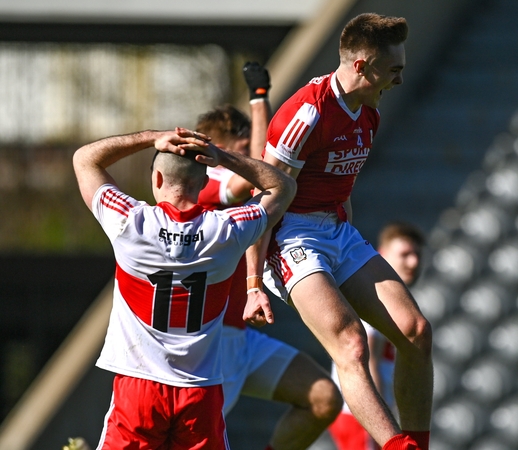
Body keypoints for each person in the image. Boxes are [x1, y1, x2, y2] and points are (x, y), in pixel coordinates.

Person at [244, 13, 433, 450]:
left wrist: (348, 251)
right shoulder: (307, 114)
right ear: (364, 65)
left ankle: (418, 444)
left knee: (416, 332)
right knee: (350, 345)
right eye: (395, 70)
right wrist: (253, 283)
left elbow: (340, 189)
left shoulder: (369, 109)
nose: (399, 79)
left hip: (336, 229)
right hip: (290, 235)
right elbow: (265, 203)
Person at [73, 127, 295, 449]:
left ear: (157, 180)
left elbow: (84, 159)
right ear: (204, 184)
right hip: (199, 392)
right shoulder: (227, 231)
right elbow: (284, 187)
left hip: (139, 387)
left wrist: (151, 138)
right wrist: (223, 157)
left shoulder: (130, 223)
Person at [197, 62, 343, 450]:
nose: (253, 156)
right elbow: (258, 173)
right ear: (218, 151)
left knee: (323, 398)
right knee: (204, 438)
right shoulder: (205, 185)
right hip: (212, 338)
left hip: (241, 337)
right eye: (241, 151)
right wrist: (260, 100)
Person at [328, 222, 425, 450]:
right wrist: (385, 420)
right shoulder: (375, 296)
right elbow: (366, 357)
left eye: (417, 255)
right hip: (363, 416)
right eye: (405, 255)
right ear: (381, 255)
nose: (413, 263)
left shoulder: (392, 296)